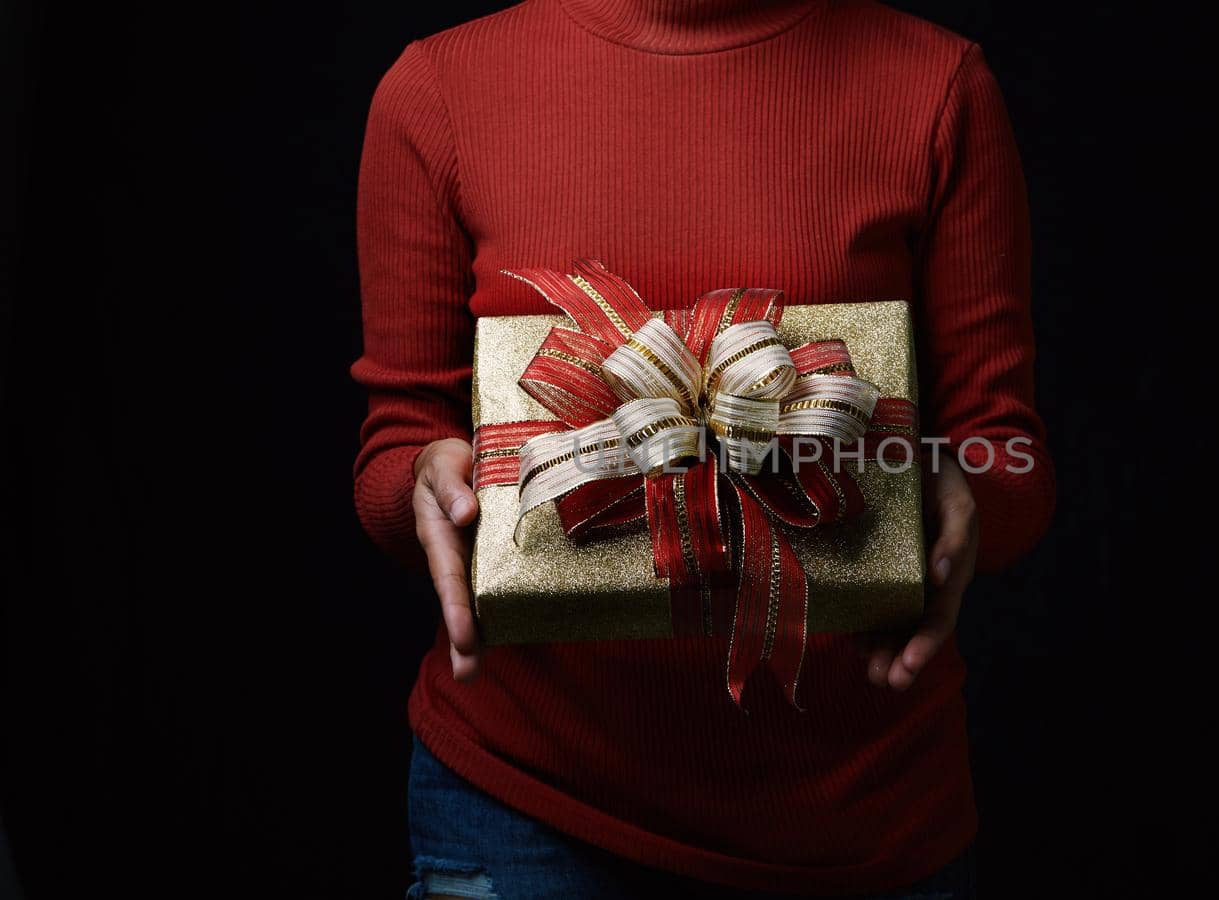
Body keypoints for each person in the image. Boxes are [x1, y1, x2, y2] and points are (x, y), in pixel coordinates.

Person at [350, 1, 1055, 897]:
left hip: (864, 819)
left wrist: (964, 496)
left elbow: (1008, 458)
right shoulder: (439, 90)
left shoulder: (936, 85)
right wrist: (419, 483)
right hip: (527, 806)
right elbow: (398, 443)